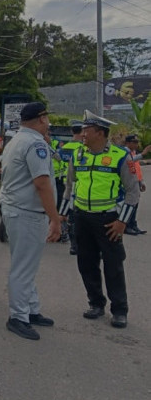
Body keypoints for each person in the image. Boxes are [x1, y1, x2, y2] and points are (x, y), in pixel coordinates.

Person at [59, 111, 140, 329]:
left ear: (100, 133)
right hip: (82, 217)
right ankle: (95, 303)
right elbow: (69, 187)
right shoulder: (78, 155)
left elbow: (133, 192)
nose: (82, 134)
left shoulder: (121, 156)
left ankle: (119, 310)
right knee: (86, 263)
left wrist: (122, 222)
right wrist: (62, 215)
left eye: (87, 130)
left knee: (113, 266)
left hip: (108, 219)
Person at [0, 102, 60, 341]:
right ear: (42, 119)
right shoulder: (35, 144)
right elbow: (41, 183)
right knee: (23, 268)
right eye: (48, 118)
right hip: (27, 213)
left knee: (26, 264)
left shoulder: (16, 140)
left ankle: (30, 309)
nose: (49, 123)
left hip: (15, 209)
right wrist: (55, 219)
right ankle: (18, 316)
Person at [59, 122, 85, 254]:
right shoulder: (82, 149)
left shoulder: (64, 147)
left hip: (63, 182)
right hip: (77, 184)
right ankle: (75, 242)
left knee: (65, 211)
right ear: (81, 133)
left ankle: (65, 236)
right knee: (75, 214)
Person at [122, 134, 149, 235]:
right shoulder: (124, 153)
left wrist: (141, 181)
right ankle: (127, 225)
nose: (136, 144)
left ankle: (133, 224)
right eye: (134, 142)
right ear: (127, 143)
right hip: (128, 183)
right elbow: (130, 161)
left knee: (135, 204)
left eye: (137, 142)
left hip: (136, 181)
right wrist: (143, 154)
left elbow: (137, 169)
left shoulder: (133, 152)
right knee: (130, 204)